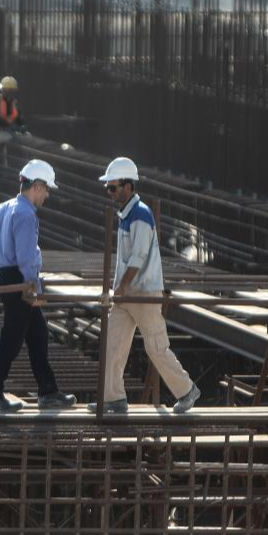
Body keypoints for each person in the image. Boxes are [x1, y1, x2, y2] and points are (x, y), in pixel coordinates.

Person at [90, 157, 200, 414]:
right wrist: (119, 286)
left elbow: (138, 257)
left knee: (156, 346)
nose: (110, 192)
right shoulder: (127, 214)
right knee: (113, 344)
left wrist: (121, 286)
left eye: (113, 187)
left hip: (144, 292)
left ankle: (187, 391)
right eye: (108, 188)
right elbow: (129, 258)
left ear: (128, 186)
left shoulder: (140, 214)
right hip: (127, 293)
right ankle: (113, 398)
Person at [0, 159, 77, 412]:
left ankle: (48, 391)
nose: (47, 195)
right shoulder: (26, 214)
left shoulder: (3, 208)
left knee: (38, 334)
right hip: (21, 281)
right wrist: (35, 291)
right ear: (37, 186)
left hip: (8, 277)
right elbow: (26, 258)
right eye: (47, 189)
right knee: (11, 340)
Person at [0, 76, 28, 146]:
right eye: (8, 91)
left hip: (5, 131)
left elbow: (18, 118)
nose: (10, 93)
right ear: (3, 90)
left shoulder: (11, 102)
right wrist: (15, 128)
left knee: (26, 136)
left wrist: (22, 126)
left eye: (12, 91)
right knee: (18, 139)